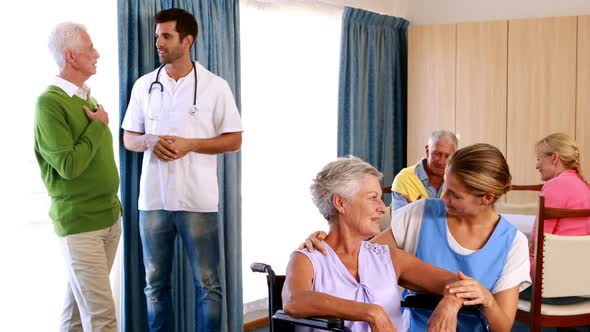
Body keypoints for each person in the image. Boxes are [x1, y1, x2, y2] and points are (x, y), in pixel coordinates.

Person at [303, 144, 531, 331]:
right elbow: (360, 257)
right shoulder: (421, 213)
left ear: (487, 198)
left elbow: (502, 327)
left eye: (455, 194)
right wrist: (327, 240)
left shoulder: (513, 243)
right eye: (445, 186)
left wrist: (479, 299)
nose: (443, 197)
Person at [121, 8, 243, 332]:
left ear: (187, 41)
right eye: (157, 36)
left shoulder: (215, 87)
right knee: (155, 286)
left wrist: (191, 145)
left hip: (197, 202)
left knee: (208, 285)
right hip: (153, 201)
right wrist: (147, 140)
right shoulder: (144, 85)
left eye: (166, 36)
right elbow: (128, 138)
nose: (158, 42)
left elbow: (234, 140)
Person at [34, 22, 122, 331]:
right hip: (81, 224)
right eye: (90, 48)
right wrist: (98, 125)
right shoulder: (50, 103)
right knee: (103, 318)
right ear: (71, 56)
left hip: (109, 218)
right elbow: (68, 165)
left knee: (76, 314)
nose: (97, 54)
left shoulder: (87, 97)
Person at [520, 132, 590, 303]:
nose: (537, 165)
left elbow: (537, 244)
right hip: (581, 282)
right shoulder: (584, 187)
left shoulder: (554, 186)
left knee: (494, 280)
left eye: (539, 158)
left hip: (550, 284)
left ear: (555, 158)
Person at [391, 130, 457, 210]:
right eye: (437, 154)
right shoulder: (404, 179)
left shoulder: (458, 180)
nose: (441, 161)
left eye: (447, 156)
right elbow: (398, 220)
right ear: (427, 151)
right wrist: (414, 213)